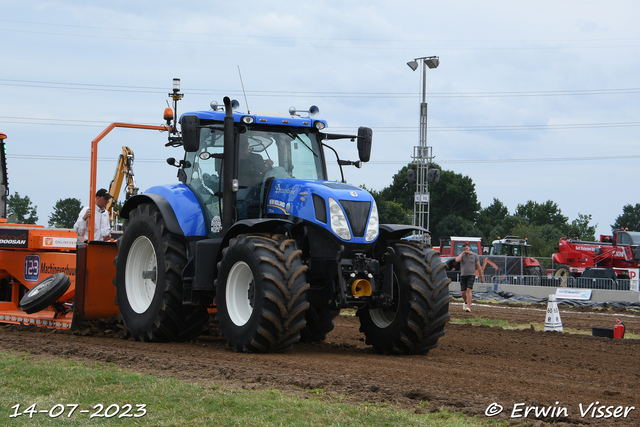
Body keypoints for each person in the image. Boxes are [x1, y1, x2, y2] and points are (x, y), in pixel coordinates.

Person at [455, 242, 484, 312]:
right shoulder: (462, 256)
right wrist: (462, 253)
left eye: (467, 248)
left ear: (469, 248)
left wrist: (481, 276)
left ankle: (468, 306)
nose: (466, 250)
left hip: (471, 275)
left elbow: (479, 266)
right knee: (463, 293)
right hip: (463, 275)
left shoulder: (474, 256)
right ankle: (465, 302)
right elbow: (457, 260)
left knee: (469, 290)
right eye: (464, 249)